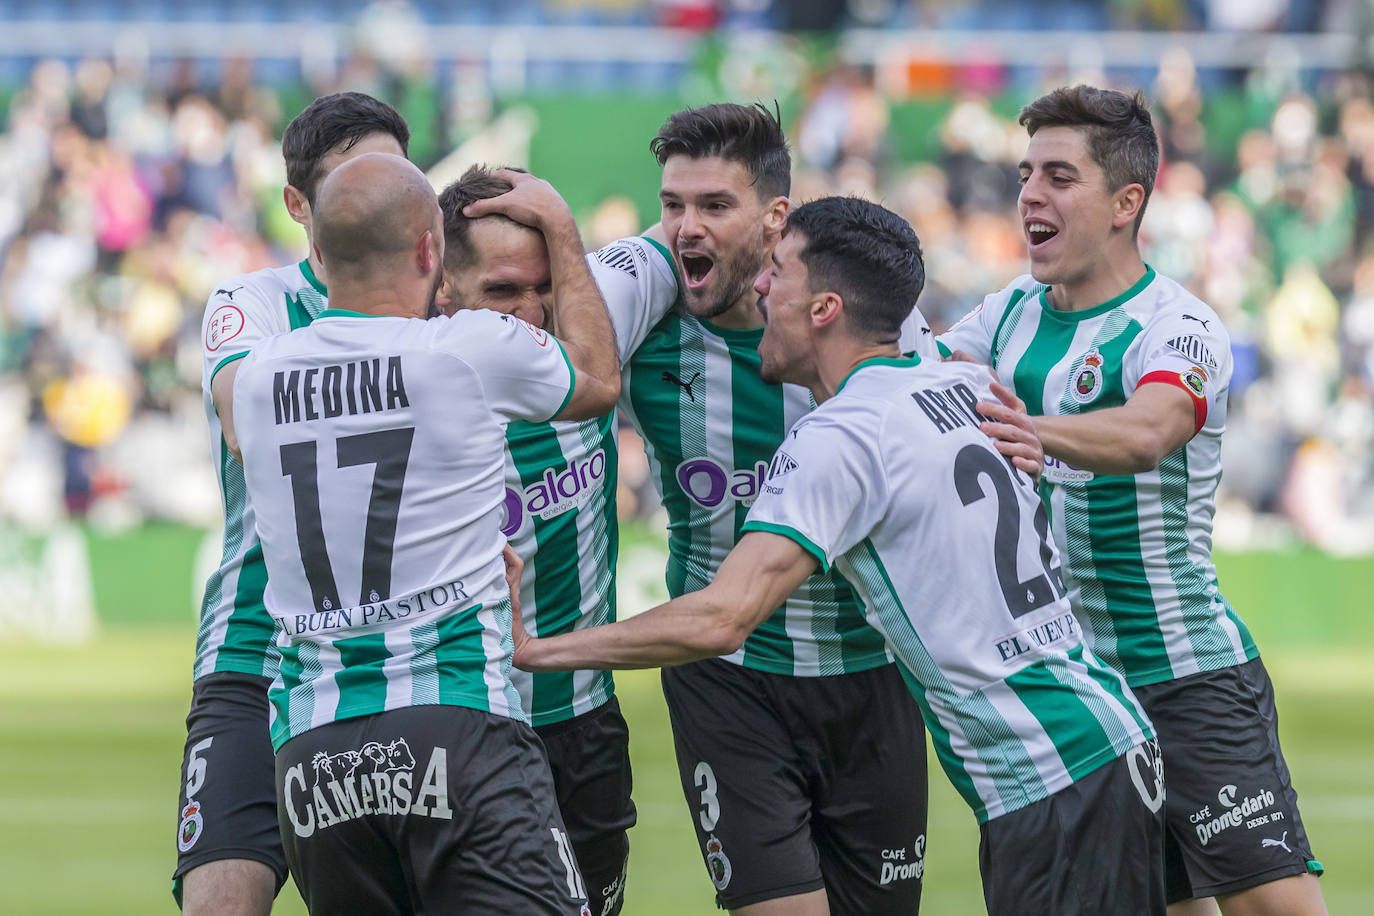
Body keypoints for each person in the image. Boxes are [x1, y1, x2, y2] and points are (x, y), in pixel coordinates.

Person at [515, 195, 1168, 916]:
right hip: (1102, 740)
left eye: (780, 274)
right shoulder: (966, 384)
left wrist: (538, 650)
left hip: (1052, 776)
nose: (761, 286)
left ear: (823, 308)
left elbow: (724, 618)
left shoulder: (847, 433)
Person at [938, 85, 1328, 916]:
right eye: (1025, 173)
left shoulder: (1178, 325)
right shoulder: (1006, 314)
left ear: (1126, 202)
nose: (1030, 195)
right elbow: (916, 388)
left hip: (1184, 674)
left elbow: (1149, 430)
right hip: (1077, 693)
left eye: (1059, 176)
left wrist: (1031, 432)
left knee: (1276, 909)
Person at [224, 152, 619, 913]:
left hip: (313, 753)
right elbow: (597, 382)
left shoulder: (253, 379)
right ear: (430, 252)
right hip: (455, 718)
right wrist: (564, 233)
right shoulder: (464, 348)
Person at [614, 101, 947, 916]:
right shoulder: (643, 327)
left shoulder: (875, 334)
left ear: (775, 220)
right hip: (729, 682)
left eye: (713, 207)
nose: (685, 229)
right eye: (673, 206)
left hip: (871, 677)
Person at [175, 91, 409, 916]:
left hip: (394, 663)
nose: (373, 198)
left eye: (391, 176)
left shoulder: (445, 309)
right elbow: (247, 421)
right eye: (351, 180)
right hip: (254, 647)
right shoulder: (255, 303)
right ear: (297, 205)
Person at [433, 164, 680, 916]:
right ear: (441, 286)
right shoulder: (409, 378)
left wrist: (567, 236)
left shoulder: (591, 311)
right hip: (465, 721)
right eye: (503, 293)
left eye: (546, 285)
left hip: (583, 719)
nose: (532, 314)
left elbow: (708, 227)